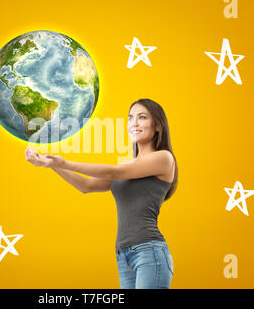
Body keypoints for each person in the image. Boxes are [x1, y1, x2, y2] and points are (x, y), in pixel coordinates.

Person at [25, 98, 178, 289]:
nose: (134, 123)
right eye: (131, 118)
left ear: (157, 126)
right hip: (124, 255)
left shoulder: (164, 158)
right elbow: (86, 185)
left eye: (142, 117)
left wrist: (63, 162)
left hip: (149, 252)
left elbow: (112, 172)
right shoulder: (127, 165)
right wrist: (52, 165)